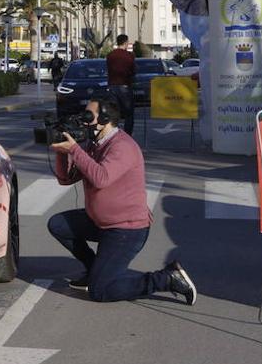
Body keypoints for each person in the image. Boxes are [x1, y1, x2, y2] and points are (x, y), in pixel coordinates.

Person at [48, 96, 196, 305]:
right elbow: (66, 179)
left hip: (126, 230)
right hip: (100, 223)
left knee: (99, 291)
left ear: (106, 119)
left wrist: (74, 150)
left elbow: (101, 178)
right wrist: (61, 153)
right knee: (58, 224)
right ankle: (95, 270)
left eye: (88, 116)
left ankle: (166, 279)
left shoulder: (122, 146)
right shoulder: (93, 144)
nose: (84, 120)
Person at [105, 34, 137, 134]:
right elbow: (133, 71)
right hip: (125, 86)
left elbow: (109, 69)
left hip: (112, 86)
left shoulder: (110, 56)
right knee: (129, 114)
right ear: (125, 43)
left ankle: (114, 135)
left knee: (114, 113)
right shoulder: (129, 56)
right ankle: (127, 136)